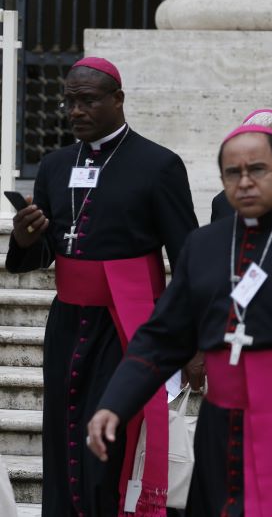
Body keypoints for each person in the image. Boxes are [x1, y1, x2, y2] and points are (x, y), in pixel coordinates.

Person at [87, 124, 272, 514]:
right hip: (219, 432)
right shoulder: (203, 246)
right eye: (232, 172)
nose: (244, 182)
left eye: (257, 169)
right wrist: (115, 402)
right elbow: (161, 337)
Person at [6, 57, 198, 516]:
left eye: (87, 100)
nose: (75, 110)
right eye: (69, 101)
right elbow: (47, 250)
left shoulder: (159, 165)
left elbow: (190, 258)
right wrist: (25, 239)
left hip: (127, 327)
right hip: (68, 325)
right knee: (63, 436)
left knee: (109, 445)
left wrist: (192, 343)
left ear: (118, 100)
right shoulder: (54, 165)